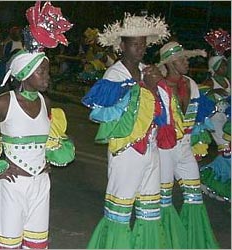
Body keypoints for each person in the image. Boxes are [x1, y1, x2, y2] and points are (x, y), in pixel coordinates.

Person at [81, 13, 183, 249]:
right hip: (126, 150)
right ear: (122, 46)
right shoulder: (114, 76)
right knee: (121, 206)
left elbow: (164, 111)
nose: (140, 49)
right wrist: (138, 91)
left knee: (150, 207)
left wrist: (159, 87)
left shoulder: (148, 70)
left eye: (143, 44)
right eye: (135, 44)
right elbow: (99, 115)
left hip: (151, 148)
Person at [0, 1, 75, 248]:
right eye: (42, 72)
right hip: (14, 185)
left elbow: (50, 140)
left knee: (36, 244)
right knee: (9, 244)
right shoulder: (5, 102)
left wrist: (46, 158)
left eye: (47, 71)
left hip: (41, 184)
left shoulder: (47, 103)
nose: (47, 77)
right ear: (24, 74)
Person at [157, 41, 219, 249]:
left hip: (184, 148)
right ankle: (165, 241)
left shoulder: (191, 84)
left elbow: (198, 120)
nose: (187, 62)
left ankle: (193, 241)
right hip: (164, 149)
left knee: (194, 195)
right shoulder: (159, 86)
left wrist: (198, 142)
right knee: (164, 198)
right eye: (183, 59)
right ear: (171, 62)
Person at [199, 55, 231, 202]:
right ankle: (208, 178)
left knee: (227, 152)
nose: (225, 68)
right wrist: (216, 93)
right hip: (216, 121)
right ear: (215, 68)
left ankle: (212, 180)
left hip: (228, 119)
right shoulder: (209, 82)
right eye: (222, 65)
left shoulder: (227, 81)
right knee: (226, 150)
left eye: (225, 65)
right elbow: (201, 95)